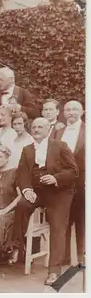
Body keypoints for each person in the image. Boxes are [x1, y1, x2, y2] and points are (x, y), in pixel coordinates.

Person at [10, 118, 78, 285]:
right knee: (22, 206)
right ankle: (18, 247)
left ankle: (54, 271)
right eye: (33, 127)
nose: (36, 129)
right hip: (37, 191)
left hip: (59, 192)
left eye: (40, 126)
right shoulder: (27, 149)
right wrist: (27, 190)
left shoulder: (60, 146)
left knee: (57, 227)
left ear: (49, 129)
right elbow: (22, 174)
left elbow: (73, 171)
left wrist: (55, 178)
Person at [55, 101, 85, 266]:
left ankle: (82, 258)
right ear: (63, 112)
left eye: (74, 109)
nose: (71, 112)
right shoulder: (58, 132)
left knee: (82, 220)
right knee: (63, 219)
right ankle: (64, 257)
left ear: (82, 112)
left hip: (82, 182)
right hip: (62, 182)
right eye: (67, 109)